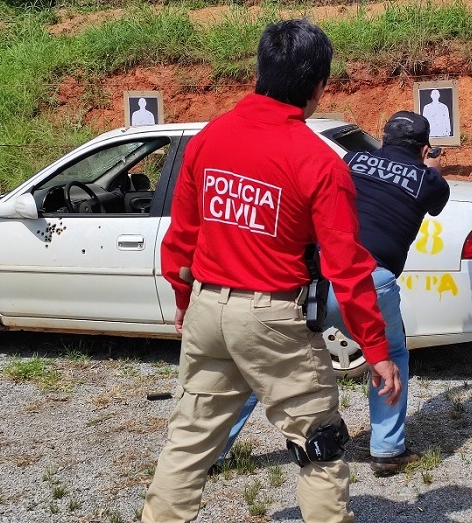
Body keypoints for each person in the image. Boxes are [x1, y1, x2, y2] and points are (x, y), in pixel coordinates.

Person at [141, 19, 401, 523]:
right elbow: (347, 268)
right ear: (318, 86)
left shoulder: (207, 140)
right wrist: (376, 349)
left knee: (189, 440)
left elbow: (180, 239)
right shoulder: (320, 164)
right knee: (320, 443)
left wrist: (182, 301)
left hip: (206, 308)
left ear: (259, 72)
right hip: (272, 319)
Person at [216, 111, 450, 477]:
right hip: (371, 283)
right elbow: (436, 199)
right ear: (423, 148)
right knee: (390, 355)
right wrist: (430, 166)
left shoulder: (352, 157)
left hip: (319, 273)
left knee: (263, 358)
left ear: (383, 139)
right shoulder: (428, 179)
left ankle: (211, 451)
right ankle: (387, 449)